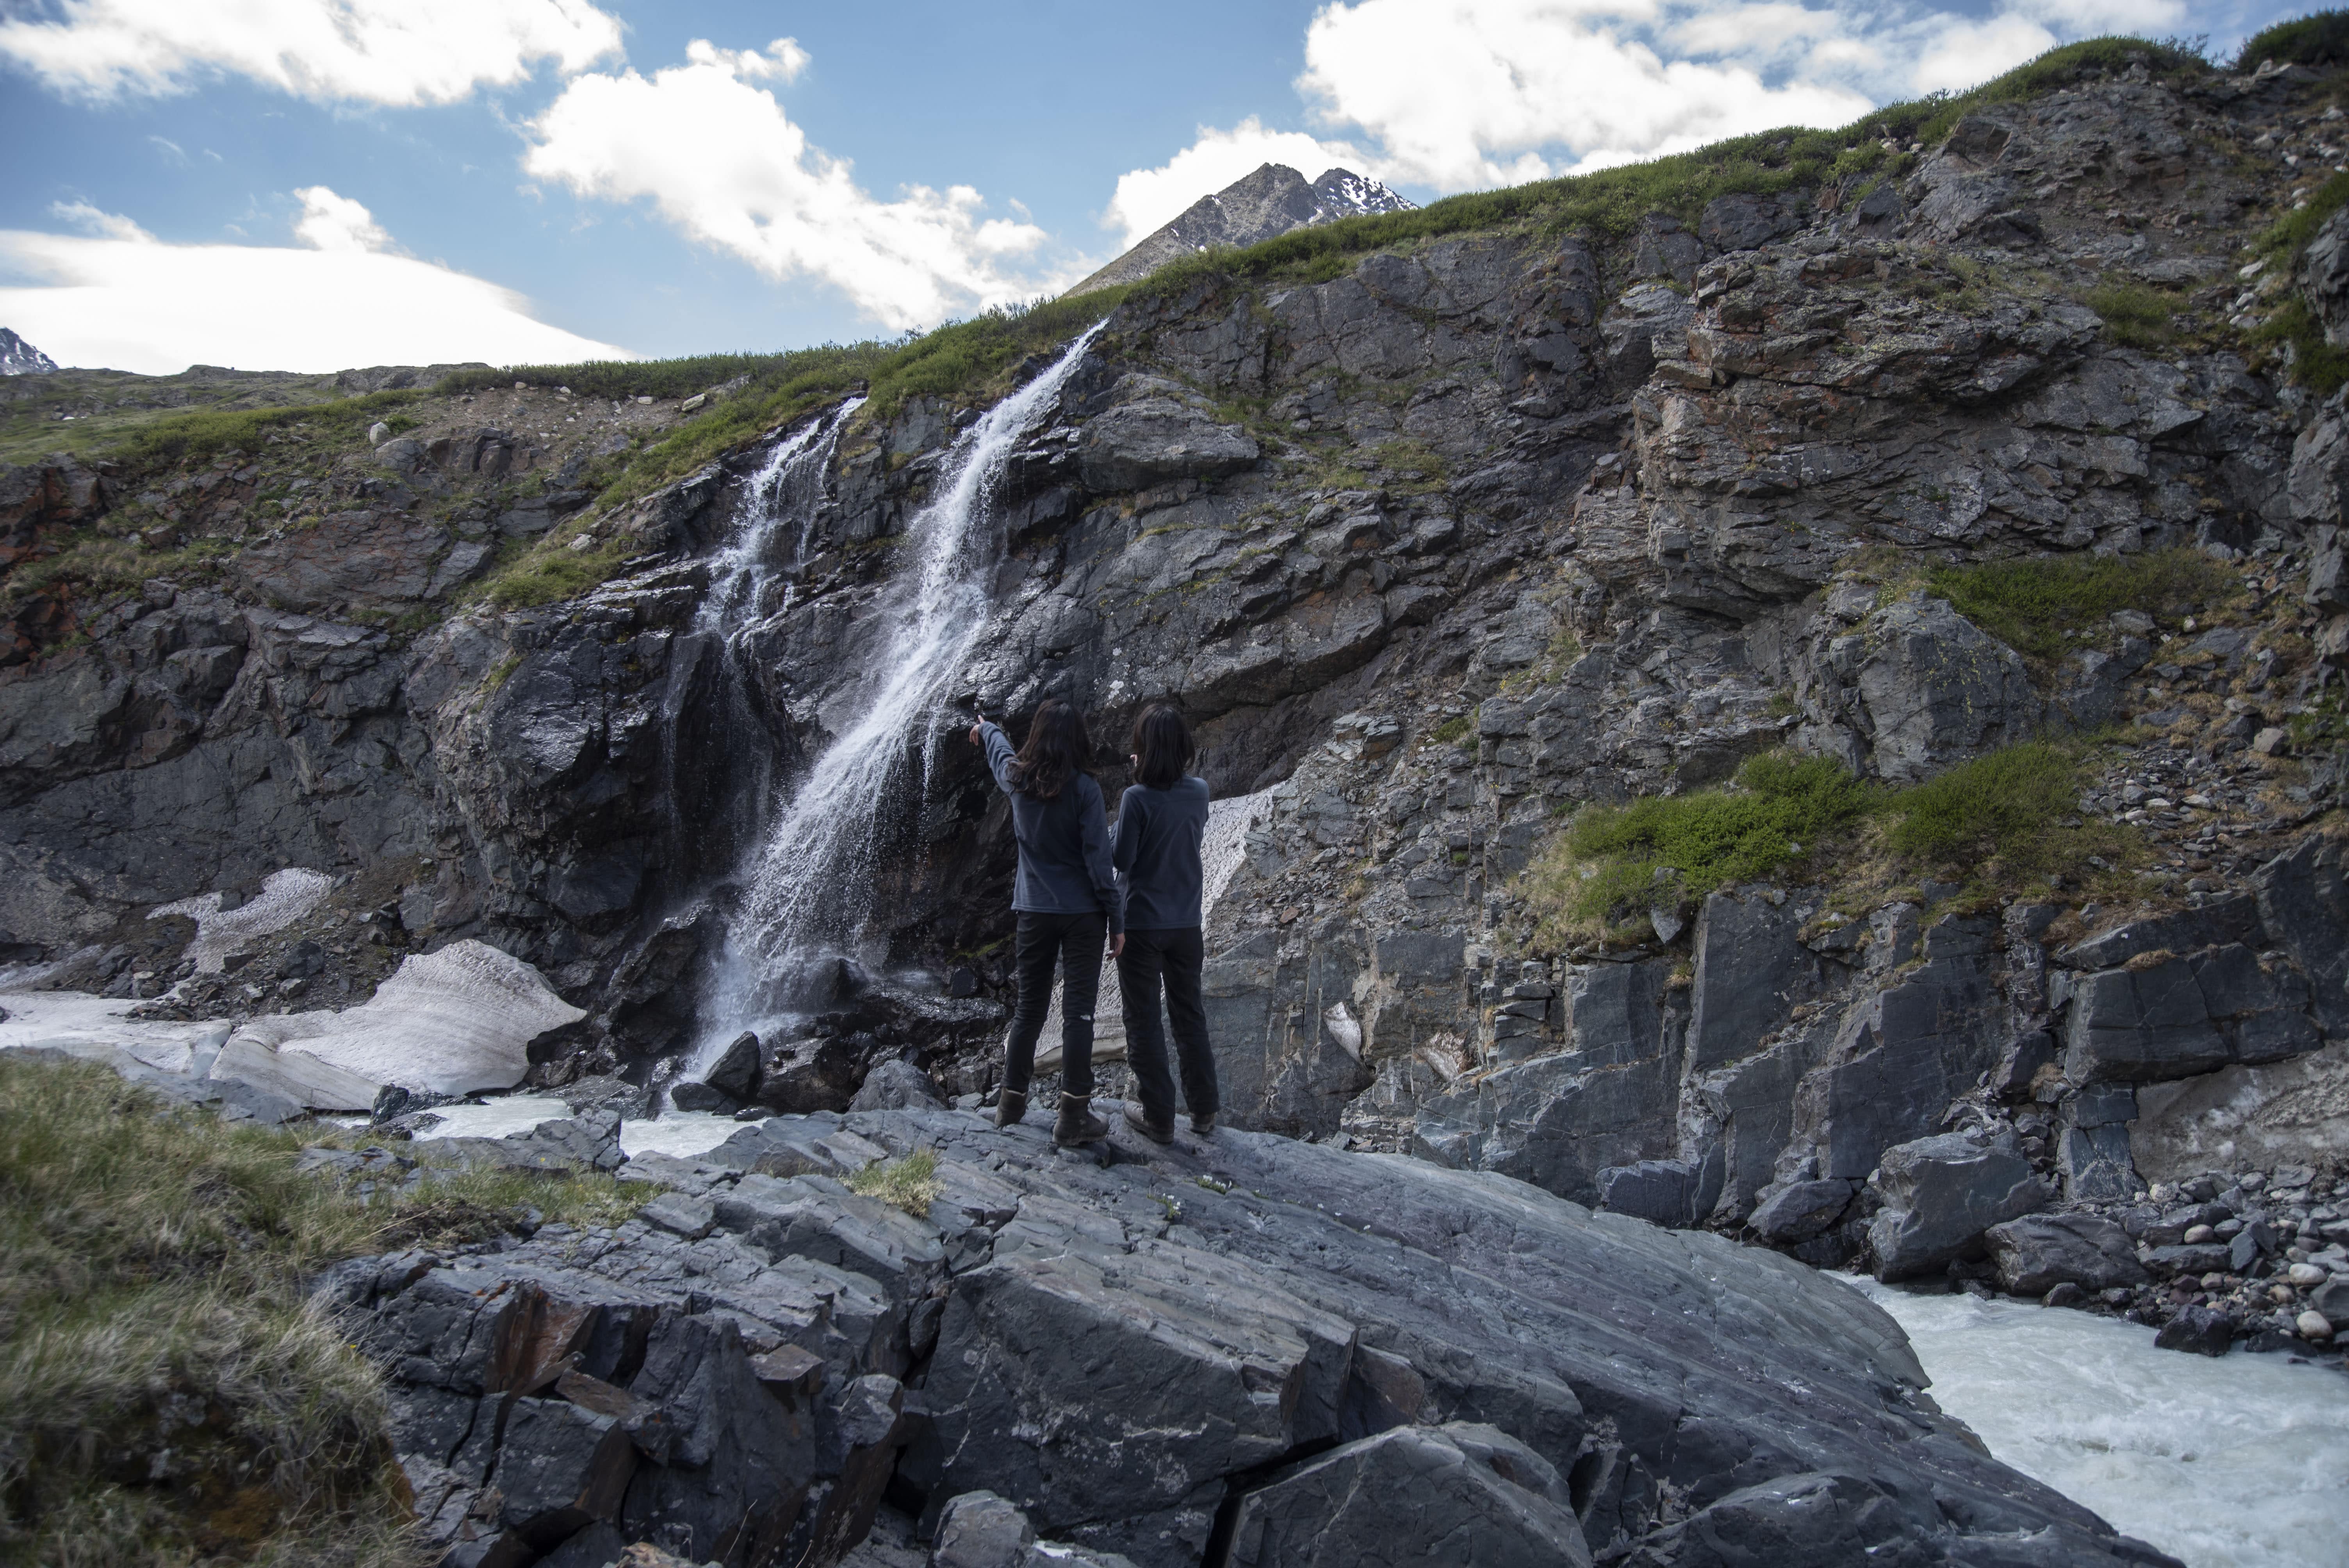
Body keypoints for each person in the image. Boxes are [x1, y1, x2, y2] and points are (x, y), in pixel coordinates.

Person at [969, 697, 1123, 1146]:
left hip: (1033, 912)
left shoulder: (1016, 780)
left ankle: (1010, 1103)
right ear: (1078, 738)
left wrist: (989, 728)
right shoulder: (1085, 791)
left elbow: (1000, 753)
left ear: (1035, 735)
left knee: (1030, 1010)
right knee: (1078, 1014)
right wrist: (1116, 917)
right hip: (1082, 916)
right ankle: (1072, 1115)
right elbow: (1099, 862)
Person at [1110, 701, 1219, 1142]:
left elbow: (1122, 859)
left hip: (1141, 923)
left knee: (1143, 1019)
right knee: (1188, 1013)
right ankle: (1205, 1109)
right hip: (1187, 923)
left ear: (1143, 750)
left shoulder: (1135, 798)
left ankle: (1158, 1115)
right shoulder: (1200, 791)